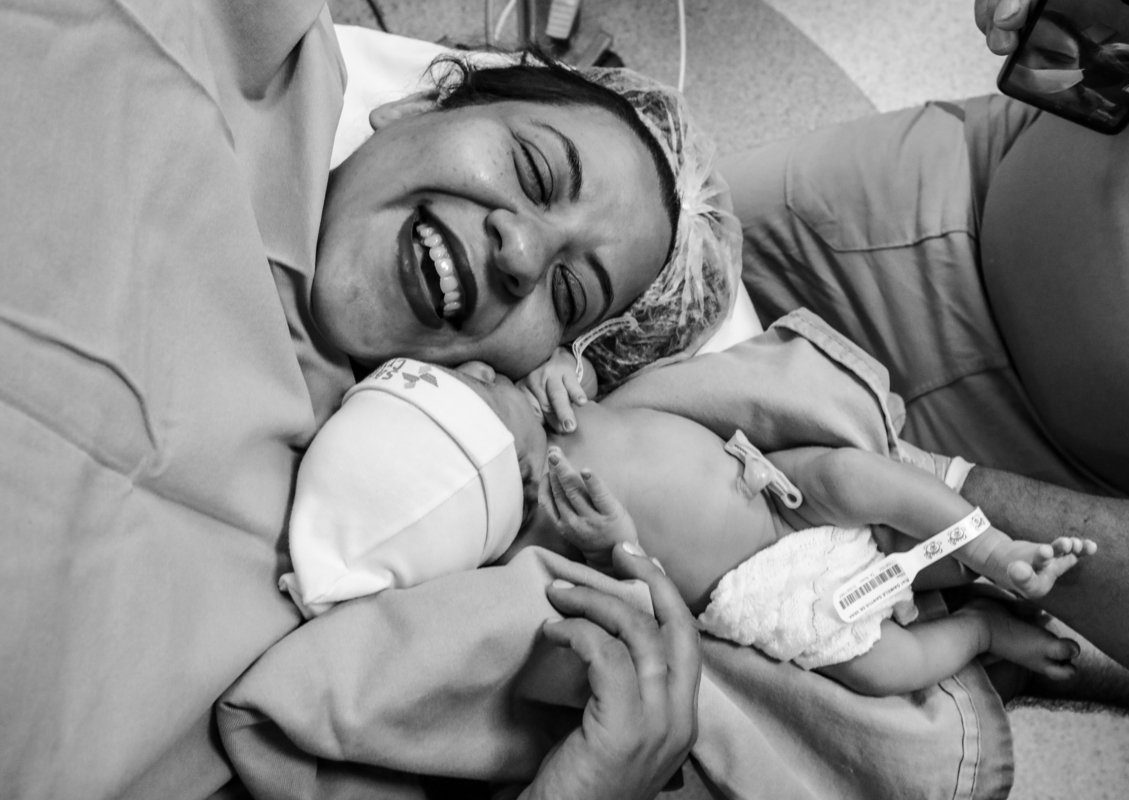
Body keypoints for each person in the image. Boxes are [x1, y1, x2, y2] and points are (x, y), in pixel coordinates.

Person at [1, 4, 743, 798]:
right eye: (533, 171)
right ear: (420, 103)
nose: (524, 253)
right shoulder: (218, 50)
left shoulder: (362, 564)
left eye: (566, 294)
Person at [656, 0, 1129, 713]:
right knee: (656, 252)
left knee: (824, 657)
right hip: (977, 178)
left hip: (1060, 488)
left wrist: (970, 526)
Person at [282, 355, 1096, 698]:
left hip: (778, 493)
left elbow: (599, 367)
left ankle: (993, 550)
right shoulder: (529, 546)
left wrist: (565, 367)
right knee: (885, 666)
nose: (490, 370)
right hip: (765, 591)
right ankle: (982, 631)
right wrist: (614, 545)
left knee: (858, 480)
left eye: (480, 374)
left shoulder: (548, 400)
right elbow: (631, 602)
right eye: (482, 386)